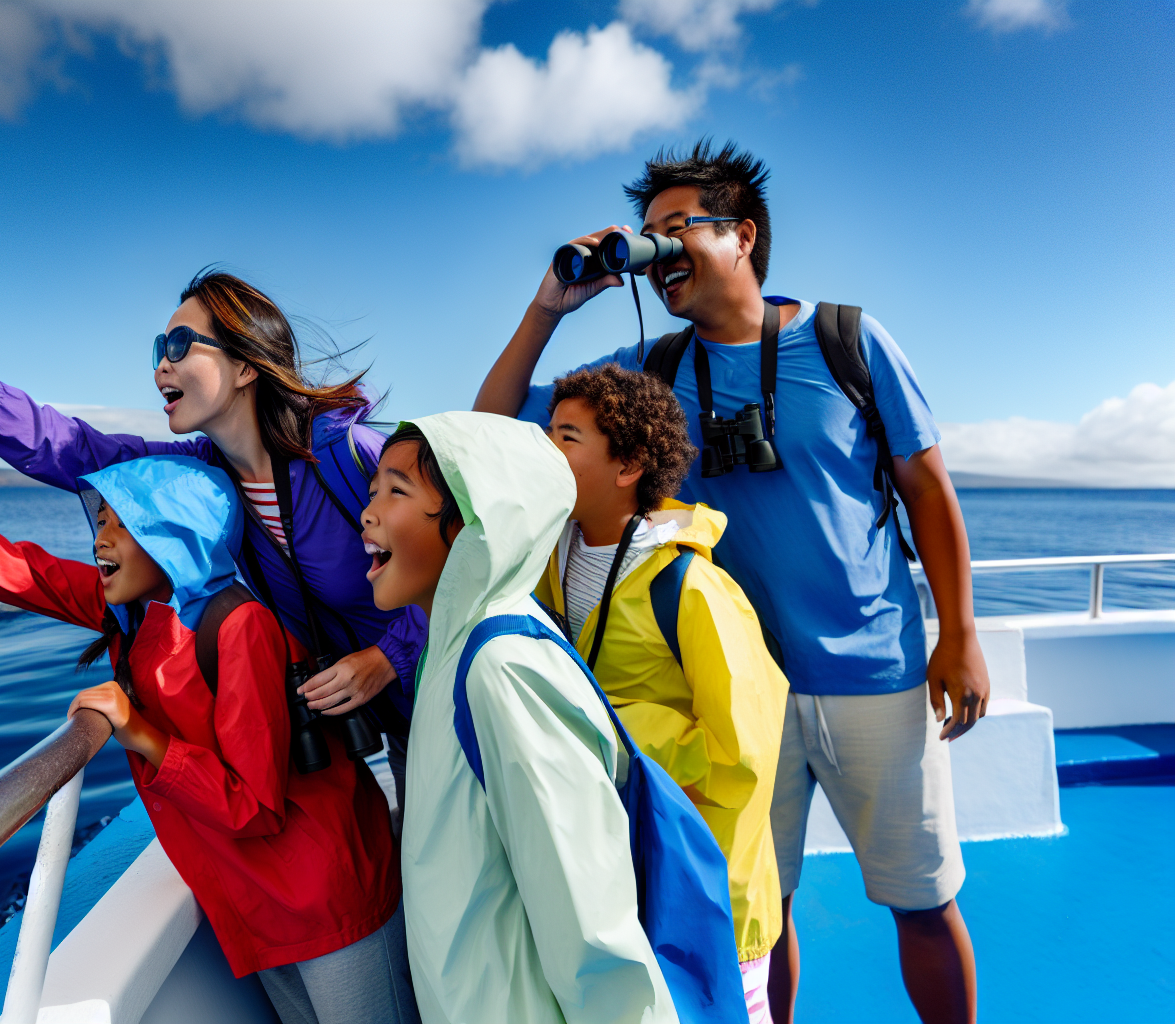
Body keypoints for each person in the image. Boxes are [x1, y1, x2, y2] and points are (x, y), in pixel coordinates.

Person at [474, 140, 989, 1024]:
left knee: (923, 899)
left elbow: (927, 488)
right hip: (741, 691)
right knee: (759, 907)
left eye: (677, 228)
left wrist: (961, 633)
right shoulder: (652, 373)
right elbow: (488, 426)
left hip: (876, 670)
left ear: (743, 236)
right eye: (646, 235)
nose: (658, 249)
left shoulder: (847, 341)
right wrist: (547, 308)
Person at [0, 458, 417, 1024]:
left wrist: (139, 729)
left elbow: (254, 809)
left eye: (125, 526)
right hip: (254, 900)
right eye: (100, 522)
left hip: (328, 899)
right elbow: (2, 564)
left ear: (177, 536)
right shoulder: (128, 612)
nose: (102, 542)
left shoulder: (238, 627)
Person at [0, 269, 422, 797]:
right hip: (396, 728)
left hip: (453, 689)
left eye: (181, 344)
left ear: (244, 366)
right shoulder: (204, 479)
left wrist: (385, 658)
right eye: (159, 346)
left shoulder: (352, 457)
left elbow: (478, 553)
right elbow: (74, 448)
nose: (161, 363)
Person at [360, 411, 674, 1024]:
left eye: (398, 490)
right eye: (374, 490)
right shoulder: (449, 652)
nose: (369, 512)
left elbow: (590, 922)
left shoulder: (501, 669)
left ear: (479, 525)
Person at [536, 363, 789, 1023]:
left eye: (566, 437)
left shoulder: (696, 591)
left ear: (628, 466)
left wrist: (609, 729)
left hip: (705, 897)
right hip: (612, 874)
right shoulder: (543, 569)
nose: (544, 448)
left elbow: (742, 755)